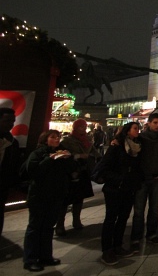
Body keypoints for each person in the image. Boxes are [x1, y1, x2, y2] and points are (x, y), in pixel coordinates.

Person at [23, 130, 77, 272]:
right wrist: (50, 159)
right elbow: (33, 171)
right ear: (45, 139)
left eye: (58, 137)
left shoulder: (61, 153)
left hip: (56, 195)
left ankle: (46, 256)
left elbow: (71, 171)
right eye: (53, 137)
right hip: (39, 196)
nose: (56, 139)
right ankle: (30, 259)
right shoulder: (38, 153)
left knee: (48, 227)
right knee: (35, 227)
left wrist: (68, 158)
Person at [99, 122, 144, 265]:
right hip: (114, 188)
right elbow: (104, 168)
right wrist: (120, 179)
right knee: (111, 218)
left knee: (123, 217)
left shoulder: (137, 147)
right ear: (127, 131)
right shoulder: (116, 147)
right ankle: (107, 250)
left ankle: (118, 245)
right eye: (135, 128)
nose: (138, 131)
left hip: (129, 188)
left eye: (139, 128)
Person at [130, 113, 158, 251]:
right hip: (143, 179)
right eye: (155, 122)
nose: (157, 125)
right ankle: (136, 237)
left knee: (154, 208)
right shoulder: (141, 138)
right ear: (148, 123)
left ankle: (151, 234)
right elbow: (137, 159)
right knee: (139, 210)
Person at [55, 118, 100, 236]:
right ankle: (60, 224)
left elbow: (95, 153)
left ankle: (76, 221)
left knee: (79, 198)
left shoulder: (87, 140)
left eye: (84, 127)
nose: (83, 129)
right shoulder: (67, 141)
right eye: (81, 127)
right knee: (65, 200)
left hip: (83, 171)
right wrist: (77, 156)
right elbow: (61, 154)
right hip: (70, 172)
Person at [0, 107, 22, 236]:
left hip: (2, 186)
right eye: (7, 120)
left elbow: (13, 166)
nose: (10, 124)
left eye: (13, 121)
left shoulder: (13, 143)